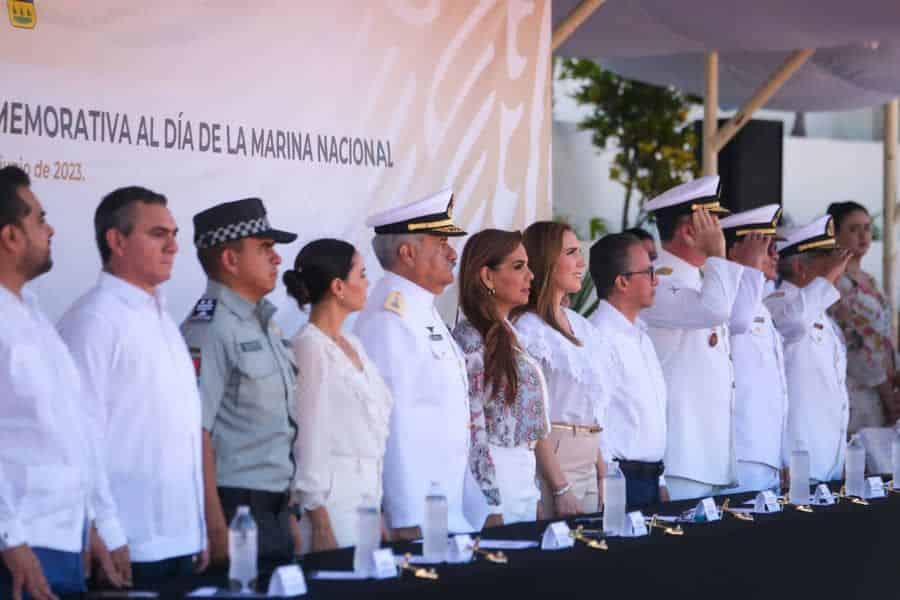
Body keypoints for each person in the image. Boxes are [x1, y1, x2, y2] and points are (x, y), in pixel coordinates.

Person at [58, 187, 207, 587]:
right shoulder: (93, 320)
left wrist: (199, 528)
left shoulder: (161, 318)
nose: (174, 246)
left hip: (181, 542)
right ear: (117, 240)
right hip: (129, 544)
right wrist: (105, 528)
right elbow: (76, 436)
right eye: (159, 234)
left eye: (174, 234)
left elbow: (181, 434)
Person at [0, 167, 126, 599]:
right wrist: (9, 539)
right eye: (38, 218)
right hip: (17, 548)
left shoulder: (32, 312)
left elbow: (71, 428)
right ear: (10, 236)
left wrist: (90, 520)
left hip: (63, 539)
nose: (50, 229)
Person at [180, 198, 299, 565]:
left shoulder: (265, 324)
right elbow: (194, 431)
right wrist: (214, 525)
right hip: (236, 511)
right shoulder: (210, 328)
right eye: (265, 248)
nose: (277, 258)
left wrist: (290, 513)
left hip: (276, 511)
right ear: (230, 260)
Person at [353, 189, 473, 539]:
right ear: (407, 253)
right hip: (419, 518)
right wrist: (405, 515)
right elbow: (393, 423)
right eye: (441, 244)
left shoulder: (421, 310)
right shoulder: (389, 320)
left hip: (446, 509)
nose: (452, 253)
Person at [641, 176, 766, 501]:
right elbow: (716, 311)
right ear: (689, 230)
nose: (720, 232)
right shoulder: (658, 280)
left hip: (708, 454)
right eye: (714, 223)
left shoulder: (698, 279)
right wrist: (719, 255)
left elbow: (738, 319)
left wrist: (746, 266)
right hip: (683, 456)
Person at [283, 239, 393, 553]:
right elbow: (308, 437)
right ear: (338, 287)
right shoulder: (309, 347)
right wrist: (320, 522)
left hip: (368, 496)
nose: (367, 282)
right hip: (333, 501)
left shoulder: (353, 344)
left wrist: (378, 511)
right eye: (361, 274)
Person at [452, 229, 550, 526]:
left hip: (522, 472)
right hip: (497, 474)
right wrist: (490, 501)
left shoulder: (510, 332)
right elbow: (473, 428)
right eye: (518, 267)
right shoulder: (470, 338)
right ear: (487, 276)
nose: (530, 276)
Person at [512, 221, 609, 518]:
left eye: (580, 252)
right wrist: (559, 488)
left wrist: (603, 472)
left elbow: (593, 409)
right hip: (553, 462)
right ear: (546, 260)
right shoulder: (527, 329)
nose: (581, 262)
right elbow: (531, 416)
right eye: (571, 252)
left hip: (590, 457)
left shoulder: (582, 326)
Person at [766, 215, 851, 483]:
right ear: (801, 268)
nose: (838, 271)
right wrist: (827, 279)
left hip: (829, 462)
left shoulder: (823, 316)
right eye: (830, 264)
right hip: (798, 463)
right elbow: (793, 323)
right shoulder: (777, 304)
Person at [587, 232, 669, 510]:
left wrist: (661, 481)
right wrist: (609, 482)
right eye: (648, 272)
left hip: (651, 477)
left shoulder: (641, 336)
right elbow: (596, 418)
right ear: (622, 281)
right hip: (621, 481)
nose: (656, 280)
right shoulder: (598, 335)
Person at [720, 205, 789, 493]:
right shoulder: (731, 299)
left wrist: (783, 454)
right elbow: (737, 321)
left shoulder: (759, 301)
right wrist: (748, 268)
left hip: (767, 451)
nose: (775, 256)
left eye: (775, 248)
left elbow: (778, 390)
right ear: (735, 252)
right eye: (766, 247)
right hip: (742, 452)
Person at [826, 201, 900, 432]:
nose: (863, 235)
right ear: (835, 234)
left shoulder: (870, 280)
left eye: (867, 227)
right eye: (853, 228)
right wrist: (887, 395)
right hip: (861, 393)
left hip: (888, 387)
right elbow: (858, 348)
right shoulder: (836, 284)